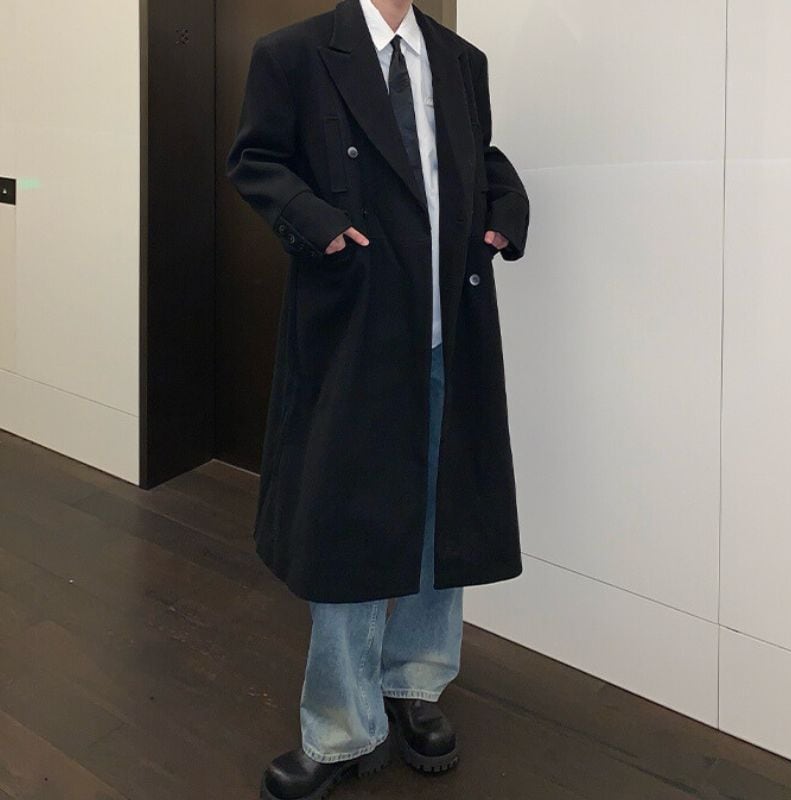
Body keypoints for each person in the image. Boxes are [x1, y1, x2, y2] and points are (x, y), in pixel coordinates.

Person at [226, 0, 530, 797]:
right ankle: (339, 728)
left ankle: (415, 682)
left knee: (441, 509)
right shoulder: (293, 53)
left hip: (448, 325)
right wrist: (315, 222)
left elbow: (475, 156)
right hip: (355, 323)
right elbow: (256, 159)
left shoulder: (460, 62)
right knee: (347, 521)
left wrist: (506, 205)